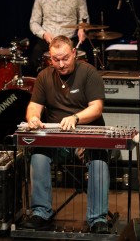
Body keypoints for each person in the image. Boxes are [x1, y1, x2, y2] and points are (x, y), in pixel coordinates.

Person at [23, 35, 110, 234]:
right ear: (50, 59)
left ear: (74, 54)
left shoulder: (89, 72)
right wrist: (33, 118)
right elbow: (33, 107)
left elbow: (97, 108)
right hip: (58, 140)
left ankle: (98, 219)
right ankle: (40, 213)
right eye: (56, 60)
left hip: (87, 137)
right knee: (38, 156)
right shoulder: (45, 76)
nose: (61, 64)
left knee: (98, 160)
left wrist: (76, 118)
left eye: (65, 58)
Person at [29, 0, 89, 74]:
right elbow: (34, 23)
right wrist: (44, 34)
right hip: (47, 43)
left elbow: (84, 19)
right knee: (33, 61)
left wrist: (82, 29)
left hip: (70, 42)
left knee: (84, 65)